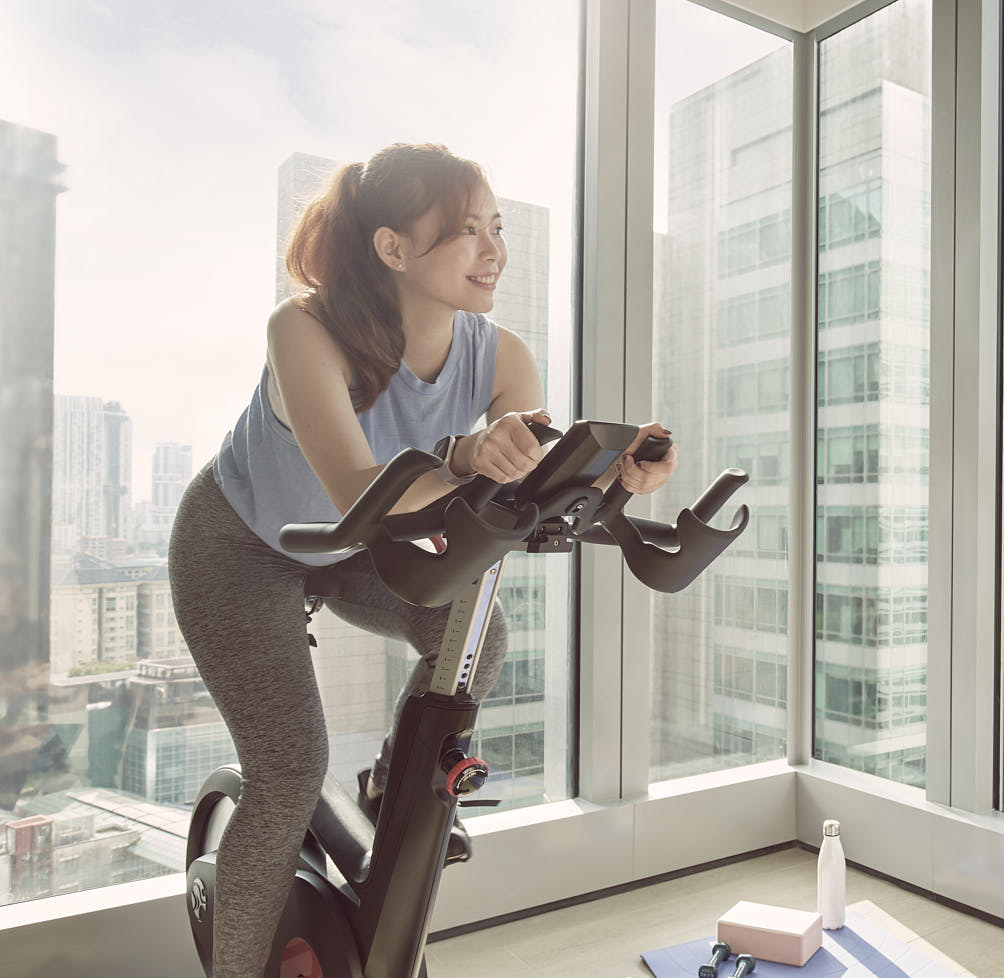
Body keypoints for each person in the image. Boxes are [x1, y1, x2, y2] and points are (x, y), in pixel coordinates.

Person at [168, 142, 677, 978]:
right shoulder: (304, 327)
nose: (494, 250)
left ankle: (388, 788)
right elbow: (356, 487)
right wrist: (471, 457)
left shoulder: (500, 355)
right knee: (291, 765)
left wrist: (619, 473)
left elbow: (531, 484)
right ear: (392, 247)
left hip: (354, 549)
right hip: (242, 546)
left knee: (479, 632)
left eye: (498, 228)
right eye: (465, 230)